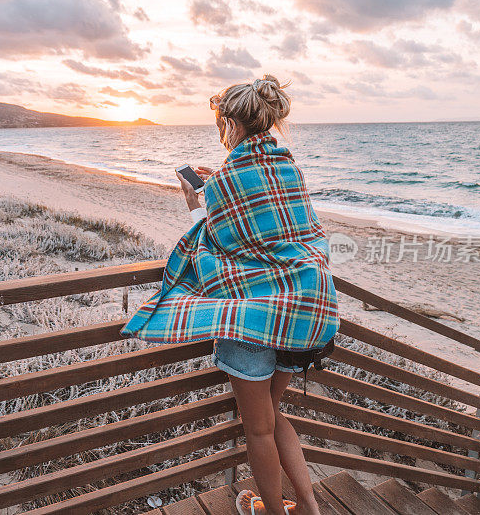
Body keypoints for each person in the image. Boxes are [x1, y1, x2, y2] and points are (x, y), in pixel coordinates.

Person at [121, 74, 338, 515]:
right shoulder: (288, 168)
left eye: (221, 124)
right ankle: (311, 508)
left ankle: (273, 512)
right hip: (302, 310)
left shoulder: (222, 184)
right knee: (276, 417)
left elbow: (220, 235)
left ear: (232, 126)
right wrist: (215, 186)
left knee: (258, 429)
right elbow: (280, 225)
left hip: (250, 318)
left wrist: (198, 198)